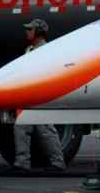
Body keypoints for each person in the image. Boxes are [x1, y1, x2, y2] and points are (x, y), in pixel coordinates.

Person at [6, 19, 66, 173]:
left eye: (30, 29)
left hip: (40, 96)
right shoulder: (29, 49)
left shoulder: (46, 50)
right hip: (28, 96)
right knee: (21, 129)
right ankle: (22, 163)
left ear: (38, 32)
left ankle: (58, 163)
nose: (27, 31)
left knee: (45, 130)